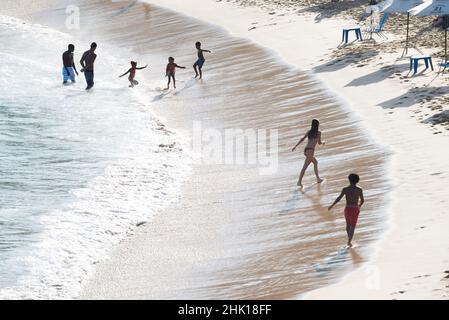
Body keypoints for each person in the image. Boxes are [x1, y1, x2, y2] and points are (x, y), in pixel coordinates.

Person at [328, 174, 365, 248]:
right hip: (355, 208)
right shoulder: (359, 189)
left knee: (348, 225)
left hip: (348, 209)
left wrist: (332, 205)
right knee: (353, 226)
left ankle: (349, 240)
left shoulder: (345, 189)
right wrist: (359, 206)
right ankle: (349, 241)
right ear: (357, 181)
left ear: (349, 180)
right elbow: (362, 200)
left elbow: (338, 199)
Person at [292, 119, 324, 188]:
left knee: (315, 162)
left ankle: (317, 178)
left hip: (306, 150)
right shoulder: (319, 133)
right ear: (317, 125)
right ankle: (299, 182)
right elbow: (319, 143)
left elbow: (302, 139)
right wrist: (323, 142)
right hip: (310, 151)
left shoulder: (309, 132)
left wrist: (295, 146)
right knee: (305, 167)